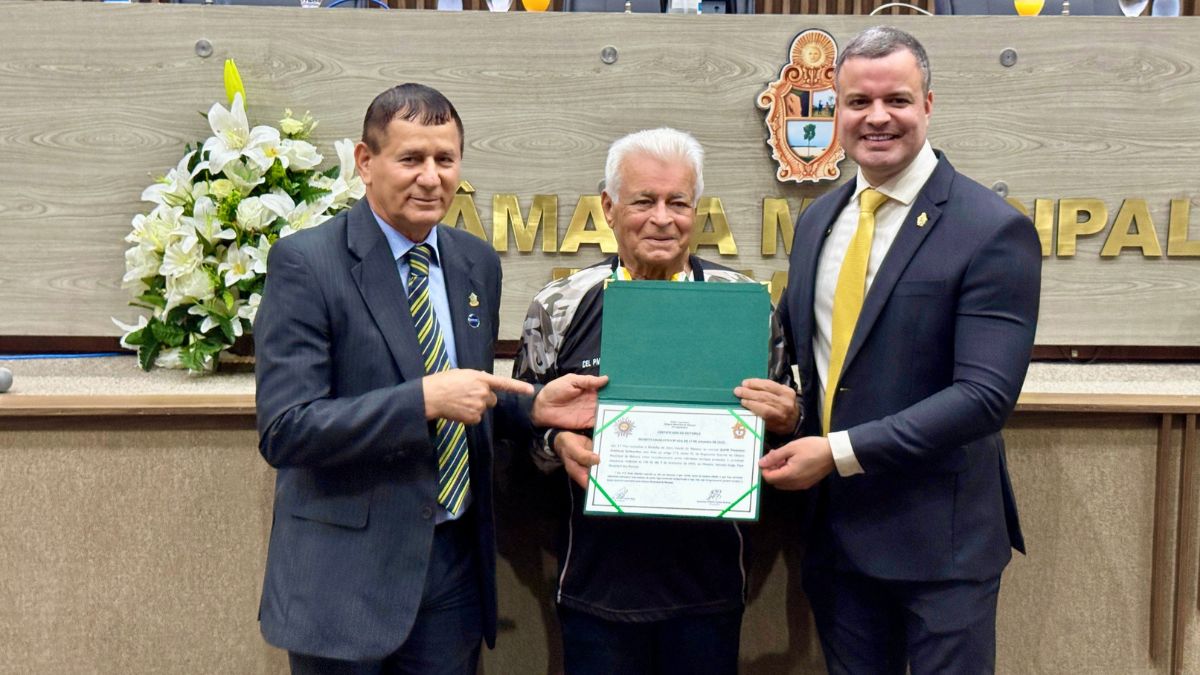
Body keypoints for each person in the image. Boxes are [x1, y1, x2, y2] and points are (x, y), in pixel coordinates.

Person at [253, 83, 606, 674]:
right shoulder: (307, 264)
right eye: (411, 158)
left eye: (445, 160)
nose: (431, 177)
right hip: (345, 584)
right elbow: (287, 430)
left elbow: (469, 397)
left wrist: (537, 409)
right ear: (366, 163)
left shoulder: (474, 262)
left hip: (452, 574)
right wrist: (420, 399)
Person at [760, 26, 1041, 674]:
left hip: (939, 548)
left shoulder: (991, 229)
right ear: (836, 109)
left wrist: (833, 452)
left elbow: (983, 397)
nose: (877, 116)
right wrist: (789, 410)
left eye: (898, 99)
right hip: (836, 541)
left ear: (929, 105)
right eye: (858, 101)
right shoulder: (816, 222)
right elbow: (818, 365)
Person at [513, 127, 801, 675]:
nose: (662, 218)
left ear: (697, 209)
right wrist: (556, 443)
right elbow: (526, 428)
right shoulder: (558, 306)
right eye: (644, 200)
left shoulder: (743, 306)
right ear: (608, 206)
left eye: (678, 202)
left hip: (709, 588)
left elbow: (784, 421)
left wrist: (790, 417)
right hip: (596, 585)